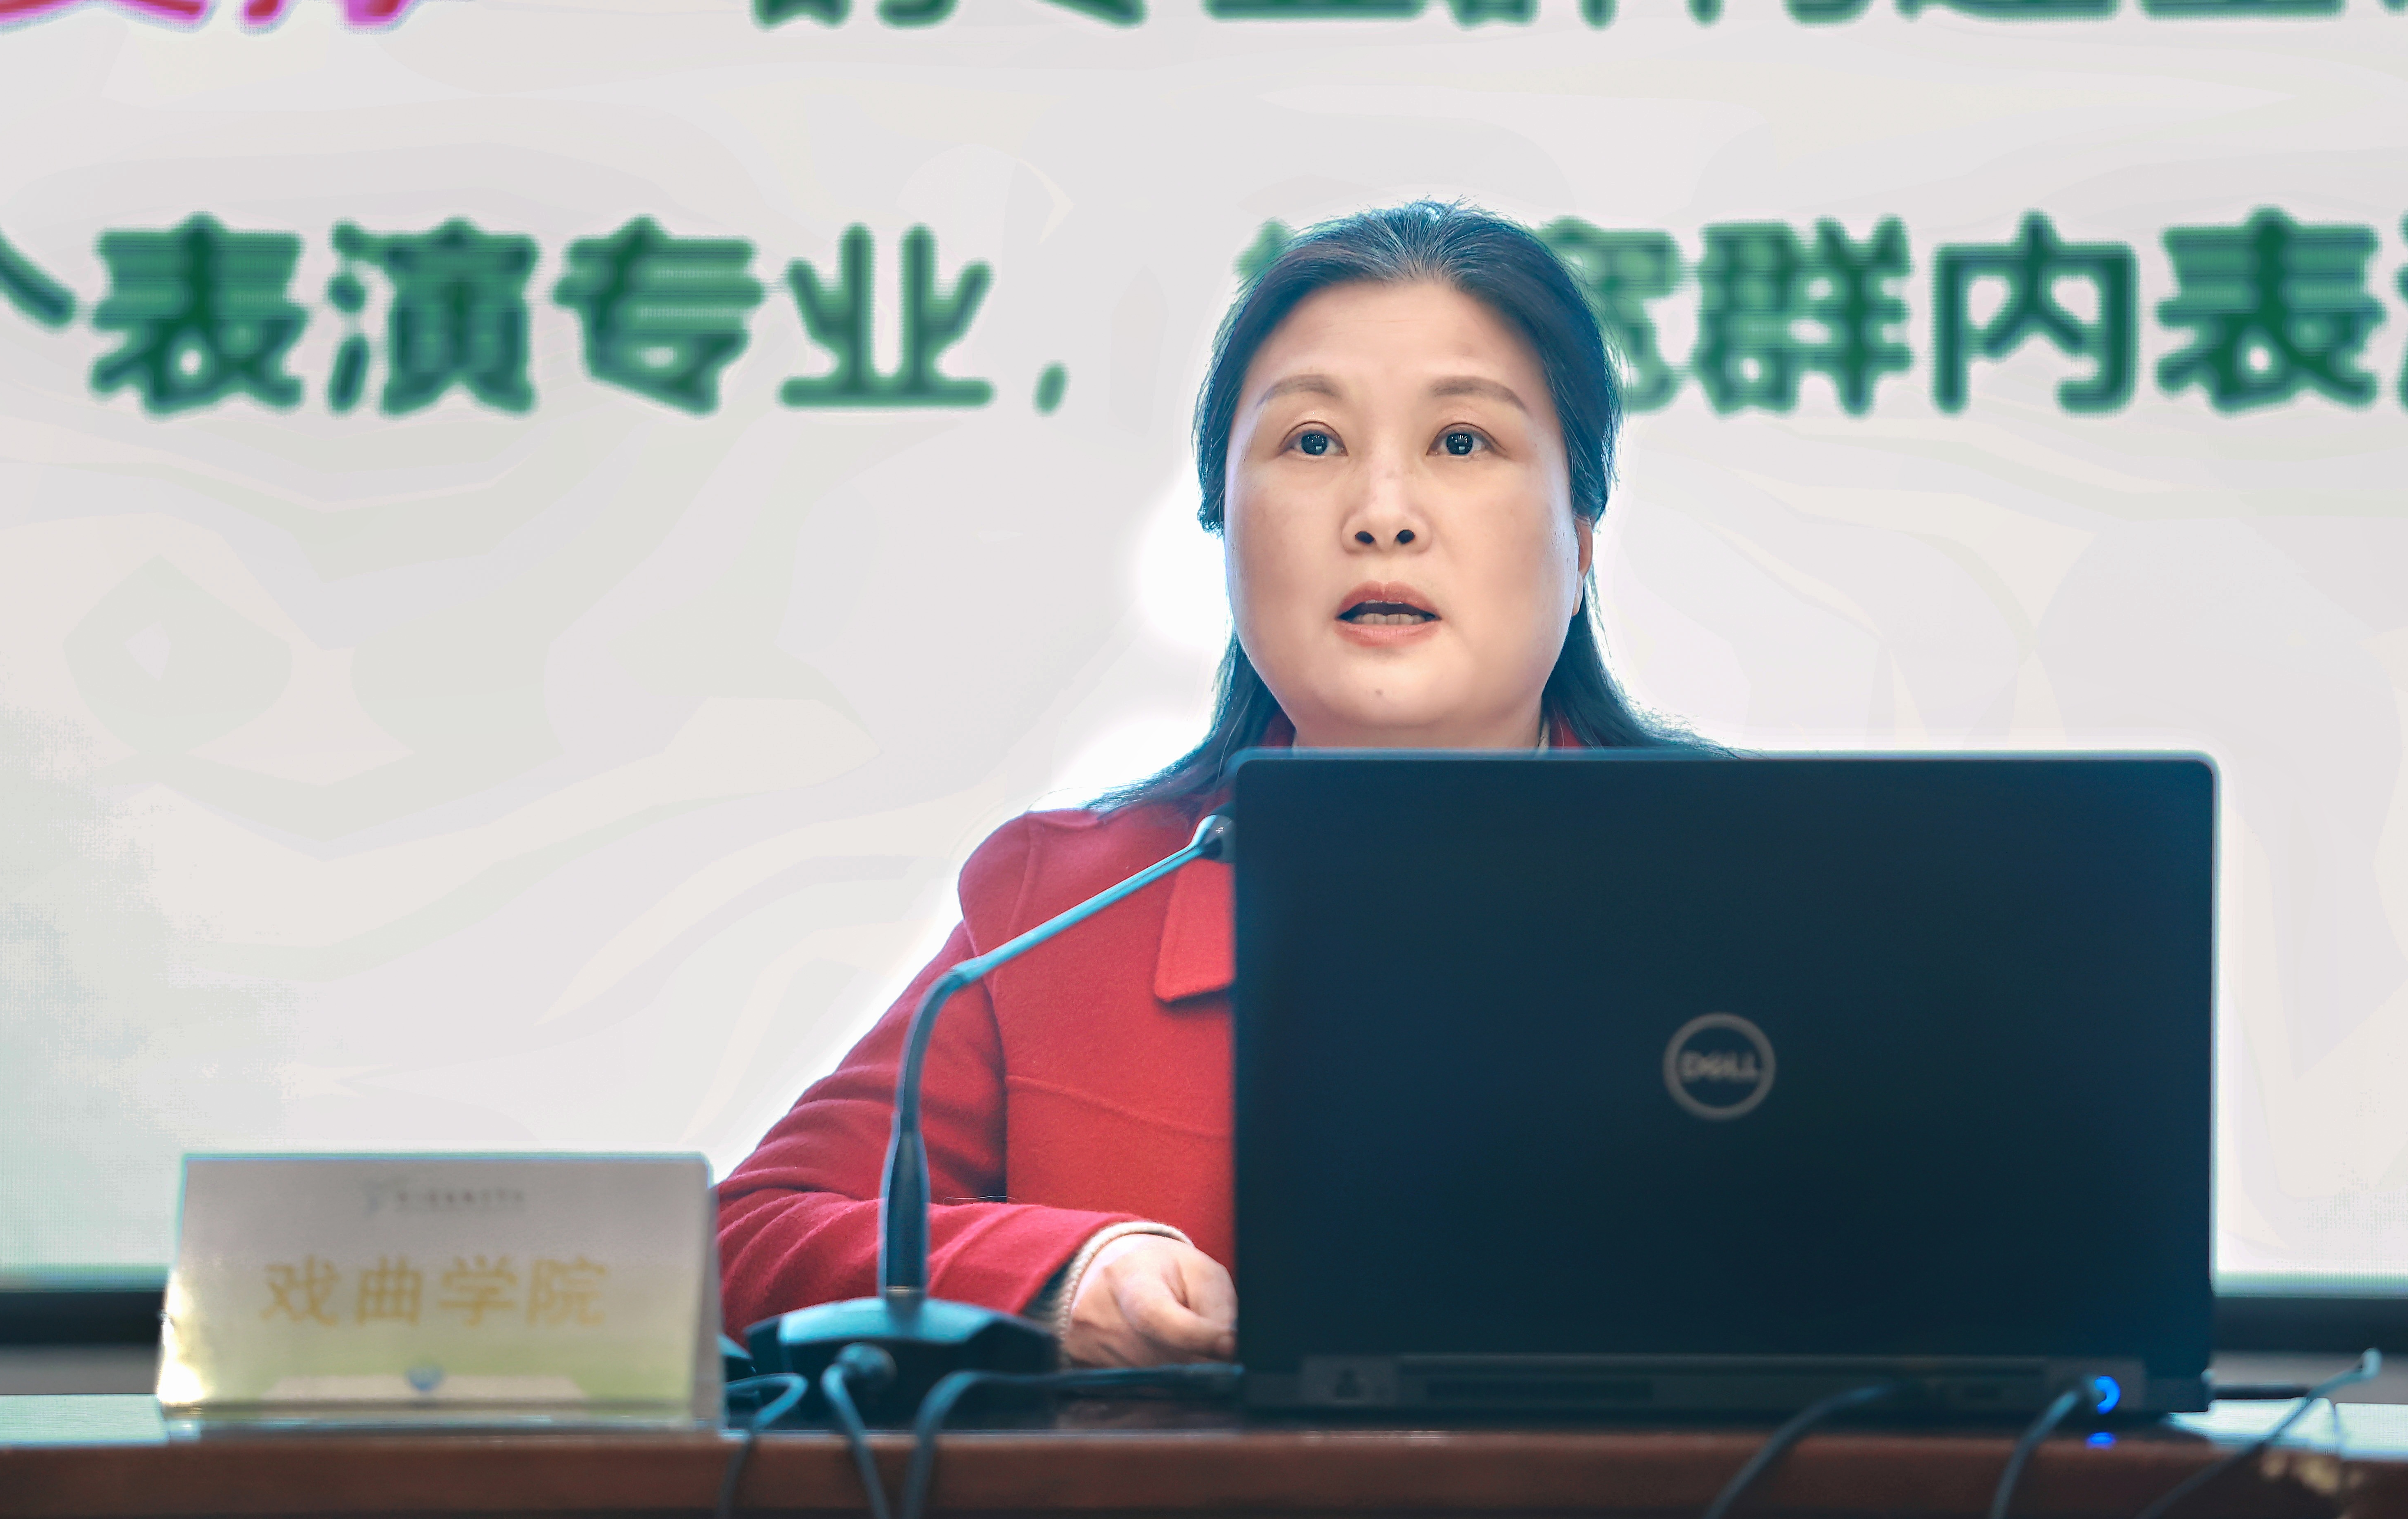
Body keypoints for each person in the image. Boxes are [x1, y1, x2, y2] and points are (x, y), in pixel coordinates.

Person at [716, 200, 1697, 1367]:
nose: (1383, 516)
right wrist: (1058, 1275)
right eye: (1314, 444)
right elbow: (743, 1240)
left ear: (1580, 529)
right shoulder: (1061, 906)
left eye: (1462, 443)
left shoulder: (1772, 885)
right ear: (1223, 526)